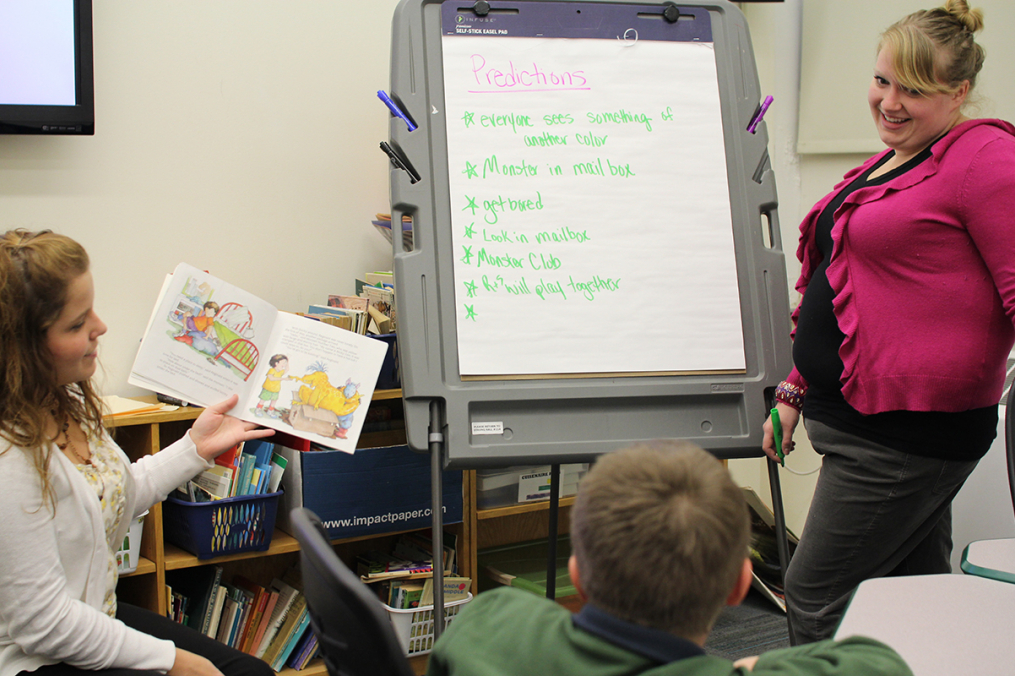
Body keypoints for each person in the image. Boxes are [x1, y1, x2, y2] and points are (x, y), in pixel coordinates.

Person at [761, 0, 1015, 644]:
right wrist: (796, 387)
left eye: (915, 90)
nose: (890, 102)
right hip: (860, 420)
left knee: (817, 593)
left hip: (906, 438)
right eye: (883, 80)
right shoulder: (898, 156)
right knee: (910, 600)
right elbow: (846, 286)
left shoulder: (984, 160)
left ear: (960, 92)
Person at [0, 229, 276, 676]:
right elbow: (44, 624)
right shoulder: (10, 458)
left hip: (92, 619)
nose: (100, 327)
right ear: (22, 348)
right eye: (76, 324)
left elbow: (111, 495)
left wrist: (194, 447)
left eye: (90, 309)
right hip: (37, 657)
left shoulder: (66, 402)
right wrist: (176, 662)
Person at [426, 441, 912, 676]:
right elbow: (880, 663)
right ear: (740, 587)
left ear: (578, 575)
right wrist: (750, 667)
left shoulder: (493, 624)